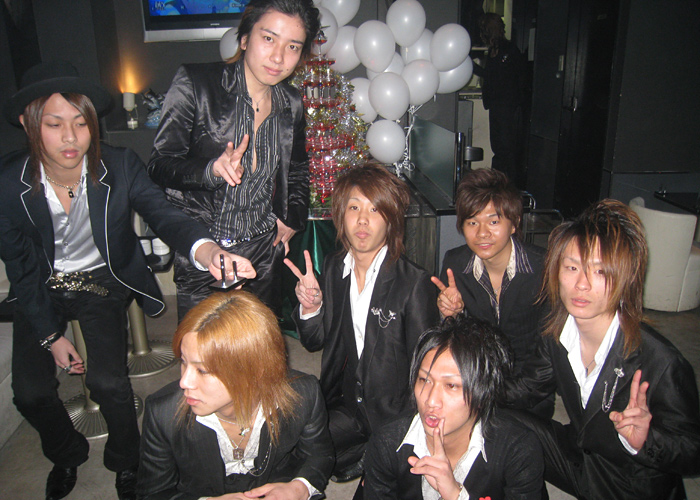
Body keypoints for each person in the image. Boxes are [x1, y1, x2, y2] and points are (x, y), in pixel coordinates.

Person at [0, 61, 255, 500]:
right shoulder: (8, 184)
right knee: (30, 392)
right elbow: (20, 266)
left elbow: (164, 214)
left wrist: (207, 250)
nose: (70, 137)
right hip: (41, 288)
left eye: (81, 123)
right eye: (54, 124)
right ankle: (66, 453)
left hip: (102, 281)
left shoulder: (118, 165)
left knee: (110, 384)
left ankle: (125, 460)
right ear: (28, 123)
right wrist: (50, 336)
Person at [503, 199, 700, 499]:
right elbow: (527, 388)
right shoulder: (557, 334)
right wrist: (463, 384)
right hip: (580, 459)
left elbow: (693, 453)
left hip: (631, 486)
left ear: (626, 279)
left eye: (600, 272)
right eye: (572, 267)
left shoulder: (662, 361)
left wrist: (645, 441)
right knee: (493, 415)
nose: (581, 284)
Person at [148, 0, 320, 320]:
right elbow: (160, 164)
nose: (279, 57)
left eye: (293, 46)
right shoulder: (196, 84)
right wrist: (210, 170)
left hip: (263, 255)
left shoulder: (291, 102)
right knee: (204, 346)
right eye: (268, 38)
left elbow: (297, 169)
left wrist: (291, 218)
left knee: (259, 346)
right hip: (206, 252)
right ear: (244, 39)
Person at [285, 164, 440, 484]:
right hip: (347, 404)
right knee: (291, 450)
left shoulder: (414, 283)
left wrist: (416, 429)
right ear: (340, 216)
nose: (363, 220)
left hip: (395, 414)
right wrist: (311, 308)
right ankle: (359, 454)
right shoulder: (333, 267)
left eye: (375, 209)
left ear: (391, 220)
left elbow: (428, 370)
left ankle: (372, 456)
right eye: (354, 208)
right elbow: (314, 342)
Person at [137, 291, 334, 499]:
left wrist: (299, 488)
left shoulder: (303, 394)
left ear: (254, 371)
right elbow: (152, 494)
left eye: (202, 370)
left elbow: (320, 455)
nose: (184, 382)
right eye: (184, 362)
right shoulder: (163, 413)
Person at [364, 315, 544, 500]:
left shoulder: (518, 450)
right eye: (424, 380)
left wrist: (455, 495)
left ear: (484, 393)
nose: (431, 401)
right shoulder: (387, 443)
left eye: (451, 385)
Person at [431, 168, 552, 417]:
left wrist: (496, 396)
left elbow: (549, 359)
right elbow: (452, 346)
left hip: (530, 395)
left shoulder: (544, 269)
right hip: (475, 388)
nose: (482, 233)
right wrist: (451, 315)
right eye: (472, 222)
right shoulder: (455, 264)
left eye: (493, 221)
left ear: (514, 223)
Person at [472, 13, 527, 187]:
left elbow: (501, 77)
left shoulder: (509, 50)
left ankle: (506, 187)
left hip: (506, 106)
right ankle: (499, 185)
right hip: (497, 105)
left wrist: (474, 68)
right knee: (498, 148)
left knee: (505, 150)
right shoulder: (495, 51)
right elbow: (493, 77)